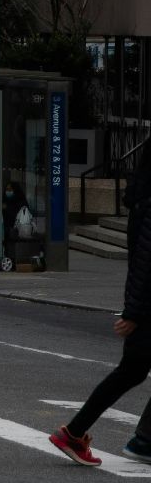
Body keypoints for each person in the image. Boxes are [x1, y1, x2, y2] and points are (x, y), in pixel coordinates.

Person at [51, 165, 151, 466]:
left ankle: (82, 433)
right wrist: (134, 312)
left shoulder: (142, 200)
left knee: (129, 372)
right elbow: (146, 261)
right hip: (146, 308)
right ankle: (81, 434)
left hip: (143, 305)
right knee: (128, 372)